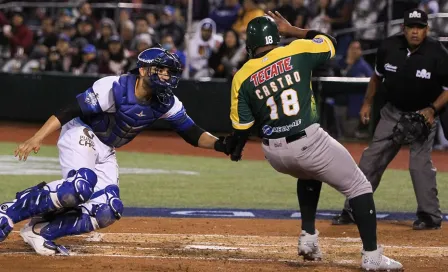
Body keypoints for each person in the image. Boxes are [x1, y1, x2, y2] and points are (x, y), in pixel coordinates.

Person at [0, 47, 230, 255]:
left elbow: (191, 131)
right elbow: (70, 109)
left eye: (168, 72)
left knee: (108, 208)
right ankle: (8, 212)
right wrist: (37, 137)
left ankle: (40, 231)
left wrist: (221, 144)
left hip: (107, 147)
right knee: (79, 186)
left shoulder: (166, 101)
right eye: (160, 70)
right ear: (142, 70)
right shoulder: (114, 87)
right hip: (82, 131)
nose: (165, 76)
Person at [224, 13, 403, 270]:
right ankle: (372, 256)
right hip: (308, 142)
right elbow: (328, 42)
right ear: (276, 37)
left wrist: (236, 150)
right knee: (360, 186)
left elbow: (241, 129)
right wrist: (293, 30)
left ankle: (308, 238)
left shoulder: (242, 76)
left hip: (274, 154)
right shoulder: (296, 50)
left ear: (249, 46)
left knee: (308, 174)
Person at [332, 9, 448, 230]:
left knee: (419, 166)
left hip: (422, 115)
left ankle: (429, 216)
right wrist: (367, 102)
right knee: (371, 160)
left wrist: (432, 110)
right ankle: (354, 209)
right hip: (392, 113)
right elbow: (377, 77)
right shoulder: (389, 47)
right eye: (411, 27)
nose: (415, 32)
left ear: (427, 29)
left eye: (420, 27)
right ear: (403, 28)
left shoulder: (438, 53)